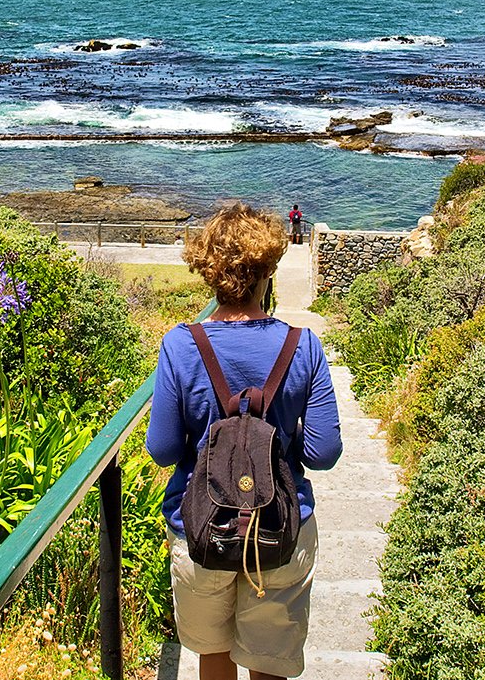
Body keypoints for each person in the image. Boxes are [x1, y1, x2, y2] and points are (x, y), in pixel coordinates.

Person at [147, 203, 342, 680]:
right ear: (268, 270)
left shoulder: (180, 344)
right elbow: (323, 453)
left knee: (213, 656)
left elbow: (164, 449)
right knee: (268, 663)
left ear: (208, 272)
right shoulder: (304, 344)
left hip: (200, 526)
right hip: (281, 523)